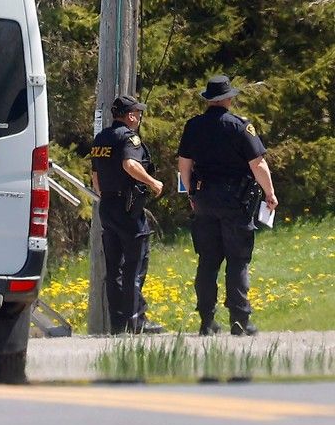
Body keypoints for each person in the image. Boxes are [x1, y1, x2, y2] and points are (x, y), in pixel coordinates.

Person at [177, 75, 279, 336]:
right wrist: (270, 193)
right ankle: (239, 320)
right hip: (235, 200)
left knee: (208, 261)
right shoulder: (240, 127)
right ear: (228, 99)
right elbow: (258, 164)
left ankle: (206, 322)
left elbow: (184, 164)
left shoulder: (193, 126)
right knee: (237, 260)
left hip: (204, 199)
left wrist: (190, 192)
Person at [90, 95, 165, 334]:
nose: (140, 117)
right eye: (138, 113)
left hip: (108, 206)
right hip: (127, 208)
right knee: (135, 265)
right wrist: (153, 182)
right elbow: (129, 165)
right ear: (130, 115)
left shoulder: (101, 139)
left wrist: (107, 196)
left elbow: (95, 178)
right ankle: (136, 322)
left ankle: (118, 324)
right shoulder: (129, 138)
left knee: (114, 268)